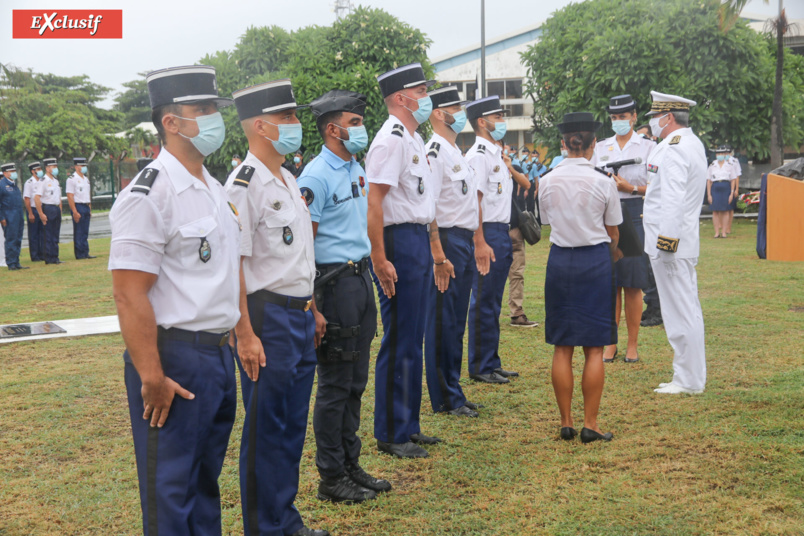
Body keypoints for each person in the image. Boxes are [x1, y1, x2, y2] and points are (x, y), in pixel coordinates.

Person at [109, 65, 240, 536]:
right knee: (171, 489)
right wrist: (151, 375)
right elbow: (129, 292)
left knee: (204, 481)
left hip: (217, 355)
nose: (212, 119)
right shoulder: (149, 194)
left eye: (213, 109)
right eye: (201, 110)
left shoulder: (213, 187)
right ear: (171, 122)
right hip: (176, 358)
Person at [224, 79, 330, 536]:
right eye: (287, 117)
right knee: (267, 427)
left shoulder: (288, 179)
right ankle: (263, 528)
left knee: (290, 427)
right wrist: (244, 333)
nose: (296, 124)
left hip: (299, 313)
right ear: (260, 126)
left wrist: (314, 307)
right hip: (266, 317)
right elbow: (236, 267)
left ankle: (285, 520)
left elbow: (299, 258)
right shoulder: (243, 186)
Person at [297, 89, 391, 504]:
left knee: (355, 381)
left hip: (359, 279)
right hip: (332, 285)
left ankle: (351, 465)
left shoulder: (355, 167)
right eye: (353, 123)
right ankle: (331, 476)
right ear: (332, 129)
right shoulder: (315, 176)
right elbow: (304, 246)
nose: (360, 130)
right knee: (335, 384)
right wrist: (312, 305)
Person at [366, 63, 441, 459]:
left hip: (416, 240)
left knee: (414, 337)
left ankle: (409, 425)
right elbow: (374, 200)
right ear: (401, 97)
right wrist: (379, 256)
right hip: (397, 242)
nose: (426, 96)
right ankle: (392, 431)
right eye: (421, 89)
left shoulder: (412, 139)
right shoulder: (390, 140)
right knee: (399, 339)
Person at [539, 112, 622, 443]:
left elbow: (547, 222)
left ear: (563, 144)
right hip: (595, 262)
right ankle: (591, 423)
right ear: (592, 146)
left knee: (562, 346)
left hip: (560, 261)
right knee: (594, 347)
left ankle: (566, 421)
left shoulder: (546, 180)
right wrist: (611, 249)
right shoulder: (603, 181)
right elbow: (613, 232)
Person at [422, 85, 483, 418]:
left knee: (456, 321)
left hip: (463, 239)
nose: (460, 112)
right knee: (443, 322)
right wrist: (438, 255)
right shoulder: (434, 150)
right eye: (455, 107)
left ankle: (453, 388)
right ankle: (445, 397)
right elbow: (428, 205)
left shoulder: (454, 150)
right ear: (438, 113)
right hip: (446, 241)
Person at [643, 91, 708, 395]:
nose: (653, 123)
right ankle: (688, 376)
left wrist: (665, 244)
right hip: (680, 241)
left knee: (680, 311)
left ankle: (688, 380)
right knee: (685, 308)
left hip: (670, 243)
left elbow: (672, 199)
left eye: (655, 117)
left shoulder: (673, 149)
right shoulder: (691, 143)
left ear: (667, 117)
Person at [465, 95, 529, 384]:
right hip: (487, 232)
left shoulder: (495, 154)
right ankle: (480, 365)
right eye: (499, 116)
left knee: (494, 300)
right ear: (483, 122)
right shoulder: (479, 155)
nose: (502, 121)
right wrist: (480, 240)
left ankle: (492, 361)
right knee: (484, 300)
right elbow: (475, 201)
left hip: (500, 231)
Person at [591, 95, 656, 363]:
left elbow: (658, 185)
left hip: (633, 214)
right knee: (610, 284)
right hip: (605, 216)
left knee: (632, 284)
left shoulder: (649, 147)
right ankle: (610, 342)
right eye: (614, 117)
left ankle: (632, 344)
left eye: (624, 116)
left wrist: (632, 188)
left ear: (634, 117)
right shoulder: (601, 147)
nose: (619, 121)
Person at [507, 147, 539, 328]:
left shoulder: (515, 169)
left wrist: (509, 168)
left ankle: (517, 313)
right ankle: (489, 311)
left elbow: (527, 185)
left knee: (517, 273)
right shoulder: (480, 163)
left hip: (513, 227)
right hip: (495, 229)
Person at [66, 157, 96, 259]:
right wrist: (74, 211)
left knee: (85, 231)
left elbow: (88, 195)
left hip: (86, 206)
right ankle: (79, 254)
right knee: (78, 231)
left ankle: (85, 252)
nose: (84, 168)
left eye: (84, 166)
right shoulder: (71, 179)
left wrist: (90, 209)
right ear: (76, 167)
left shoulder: (86, 179)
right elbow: (70, 196)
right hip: (78, 205)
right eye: (82, 166)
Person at [34, 157, 63, 265]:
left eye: (56, 166)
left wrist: (59, 209)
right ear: (47, 168)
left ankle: (55, 257)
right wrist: (41, 213)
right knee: (49, 234)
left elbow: (58, 197)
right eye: (53, 167)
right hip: (48, 208)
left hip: (55, 208)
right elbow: (37, 198)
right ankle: (49, 258)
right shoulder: (43, 181)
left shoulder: (55, 180)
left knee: (55, 234)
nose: (55, 168)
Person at [1, 163, 28, 270]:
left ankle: (16, 262)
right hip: (8, 217)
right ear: (5, 173)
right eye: (11, 172)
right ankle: (11, 263)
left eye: (14, 171)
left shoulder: (14, 184)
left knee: (18, 238)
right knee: (11, 239)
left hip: (18, 216)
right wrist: (1, 217)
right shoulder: (2, 185)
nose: (13, 173)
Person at [707, 145, 735, 239]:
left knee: (725, 210)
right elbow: (709, 181)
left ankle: (724, 232)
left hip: (725, 187)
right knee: (715, 211)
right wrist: (709, 194)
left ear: (724, 154)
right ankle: (716, 232)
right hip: (715, 187)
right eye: (718, 153)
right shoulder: (712, 165)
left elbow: (733, 180)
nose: (720, 155)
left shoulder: (729, 166)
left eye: (721, 153)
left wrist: (731, 193)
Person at [23, 162, 45, 262]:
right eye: (38, 169)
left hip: (42, 209)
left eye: (40, 169)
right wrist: (30, 213)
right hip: (33, 209)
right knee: (34, 234)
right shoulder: (29, 183)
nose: (40, 171)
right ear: (33, 171)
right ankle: (35, 256)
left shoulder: (43, 181)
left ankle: (42, 254)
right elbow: (27, 199)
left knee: (43, 233)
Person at [725, 145, 741, 235]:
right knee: (722, 208)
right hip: (722, 184)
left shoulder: (735, 161)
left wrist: (736, 189)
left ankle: (728, 227)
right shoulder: (719, 161)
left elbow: (737, 176)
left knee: (730, 208)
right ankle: (722, 226)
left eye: (728, 152)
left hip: (732, 184)